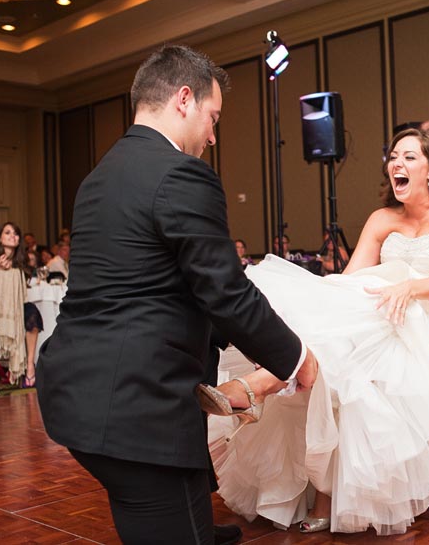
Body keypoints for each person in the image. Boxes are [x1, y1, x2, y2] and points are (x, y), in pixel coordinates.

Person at [35, 44, 319, 545]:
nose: (212, 135)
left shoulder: (99, 177)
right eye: (213, 118)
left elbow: (151, 283)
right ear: (183, 100)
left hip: (78, 388)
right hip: (132, 405)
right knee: (162, 502)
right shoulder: (181, 174)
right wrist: (294, 360)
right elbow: (225, 294)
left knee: (182, 490)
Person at [201, 128, 429, 535]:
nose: (397, 163)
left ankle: (261, 386)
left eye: (410, 157)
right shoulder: (382, 219)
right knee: (338, 345)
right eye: (394, 156)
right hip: (383, 315)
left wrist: (409, 288)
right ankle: (321, 479)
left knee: (354, 354)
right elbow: (349, 280)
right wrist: (310, 301)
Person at [0, 222, 44, 387]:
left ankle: (29, 366)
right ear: (0, 238)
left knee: (32, 313)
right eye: (7, 232)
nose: (13, 235)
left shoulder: (19, 262)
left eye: (16, 233)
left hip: (14, 306)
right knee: (23, 313)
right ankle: (13, 369)